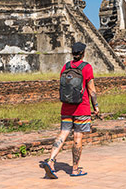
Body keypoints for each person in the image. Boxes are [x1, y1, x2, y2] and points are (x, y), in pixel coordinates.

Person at [41, 42, 99, 178]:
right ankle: (74, 169)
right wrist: (95, 105)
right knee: (78, 137)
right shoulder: (87, 67)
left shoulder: (66, 66)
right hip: (82, 108)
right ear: (83, 53)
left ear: (72, 53)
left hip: (66, 106)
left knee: (63, 134)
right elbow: (92, 90)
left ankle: (50, 161)